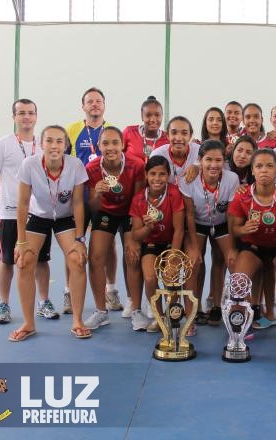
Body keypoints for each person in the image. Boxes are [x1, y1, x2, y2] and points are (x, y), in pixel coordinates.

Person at [10, 125, 90, 341]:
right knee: (24, 261)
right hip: (39, 216)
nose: (54, 146)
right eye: (49, 140)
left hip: (64, 217)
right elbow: (23, 204)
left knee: (77, 259)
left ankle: (78, 321)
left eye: (59, 141)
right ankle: (28, 323)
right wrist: (21, 241)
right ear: (41, 143)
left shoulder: (76, 165)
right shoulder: (29, 165)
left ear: (65, 145)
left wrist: (81, 239)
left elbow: (78, 204)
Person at [0, 99, 56, 324]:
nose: (26, 117)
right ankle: (4, 304)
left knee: (41, 260)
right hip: (9, 214)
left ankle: (43, 302)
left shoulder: (44, 145)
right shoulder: (2, 144)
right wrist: (10, 198)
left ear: (36, 116)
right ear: (14, 117)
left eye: (30, 113)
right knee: (7, 260)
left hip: (39, 214)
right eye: (21, 113)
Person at [228, 149, 276, 346]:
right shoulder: (242, 195)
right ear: (252, 171)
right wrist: (243, 228)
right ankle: (241, 325)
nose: (264, 170)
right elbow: (234, 231)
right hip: (253, 246)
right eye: (259, 166)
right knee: (238, 280)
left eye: (269, 166)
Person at [82, 126, 146, 331]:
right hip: (105, 212)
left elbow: (139, 200)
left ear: (122, 145)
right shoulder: (92, 168)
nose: (110, 147)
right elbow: (92, 207)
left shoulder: (136, 165)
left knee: (133, 254)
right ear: (99, 146)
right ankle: (101, 311)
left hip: (130, 211)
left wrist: (131, 237)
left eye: (115, 143)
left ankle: (136, 310)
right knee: (96, 257)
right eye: (105, 143)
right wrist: (97, 195)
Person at [64, 87, 120, 314]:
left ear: (104, 105)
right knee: (73, 245)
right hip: (79, 196)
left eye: (98, 101)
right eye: (90, 101)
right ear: (83, 106)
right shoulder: (72, 130)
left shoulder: (112, 131)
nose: (94, 104)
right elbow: (65, 162)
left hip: (104, 199)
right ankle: (68, 292)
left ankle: (111, 290)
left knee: (108, 246)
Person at [180, 140, 240, 334]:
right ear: (199, 160)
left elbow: (231, 214)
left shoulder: (231, 178)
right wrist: (195, 248)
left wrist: (231, 246)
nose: (214, 165)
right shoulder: (188, 179)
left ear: (224, 161)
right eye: (208, 160)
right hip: (197, 223)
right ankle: (191, 315)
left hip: (222, 224)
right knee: (193, 262)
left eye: (218, 160)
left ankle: (235, 313)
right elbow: (189, 214)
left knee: (233, 262)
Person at [129, 156, 185, 333]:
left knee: (171, 276)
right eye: (153, 174)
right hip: (151, 243)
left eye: (162, 174)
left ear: (168, 175)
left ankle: (173, 315)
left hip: (171, 242)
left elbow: (179, 229)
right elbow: (136, 235)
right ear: (146, 175)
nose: (157, 178)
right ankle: (159, 317)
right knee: (150, 278)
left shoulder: (174, 193)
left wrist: (174, 257)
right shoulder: (139, 199)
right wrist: (147, 228)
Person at [150, 116, 200, 186]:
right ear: (167, 135)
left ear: (190, 136)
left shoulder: (200, 151)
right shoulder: (157, 155)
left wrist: (197, 166)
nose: (179, 138)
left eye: (184, 133)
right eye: (174, 133)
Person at [122, 96, 169, 164]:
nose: (153, 119)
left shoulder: (167, 138)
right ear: (142, 116)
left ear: (162, 116)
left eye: (157, 115)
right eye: (148, 115)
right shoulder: (129, 132)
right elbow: (118, 155)